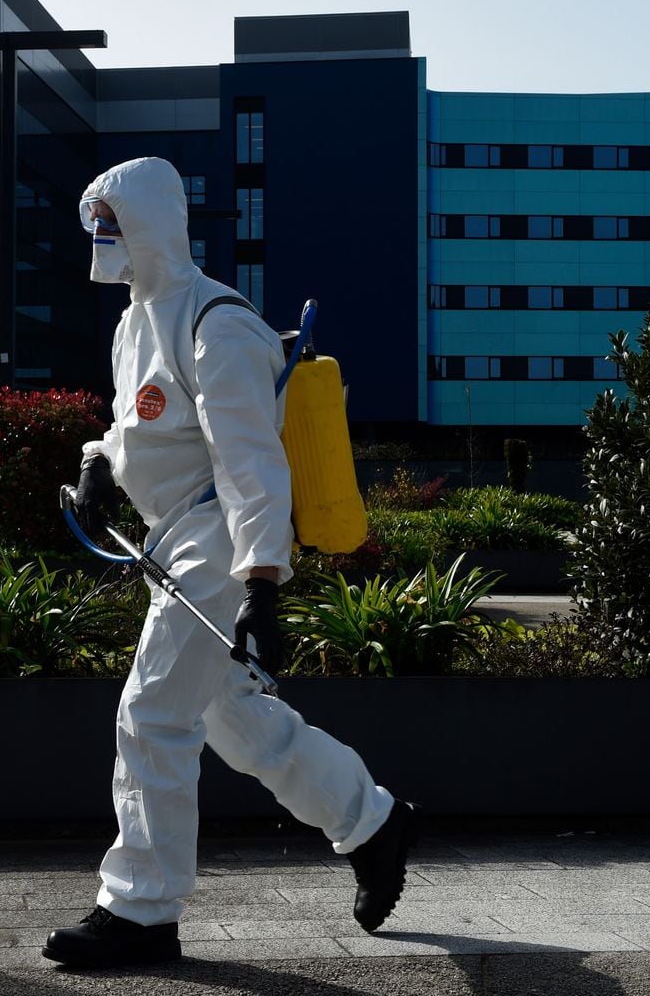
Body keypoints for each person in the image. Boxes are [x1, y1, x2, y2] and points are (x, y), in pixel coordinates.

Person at [43, 157, 415, 968]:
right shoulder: (134, 324)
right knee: (237, 722)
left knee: (151, 713)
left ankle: (141, 911)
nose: (102, 239)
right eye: (96, 224)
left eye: (113, 222)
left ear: (148, 225)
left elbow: (253, 468)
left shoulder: (218, 324)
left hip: (216, 541)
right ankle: (374, 821)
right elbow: (129, 426)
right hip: (169, 542)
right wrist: (99, 462)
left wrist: (261, 587)